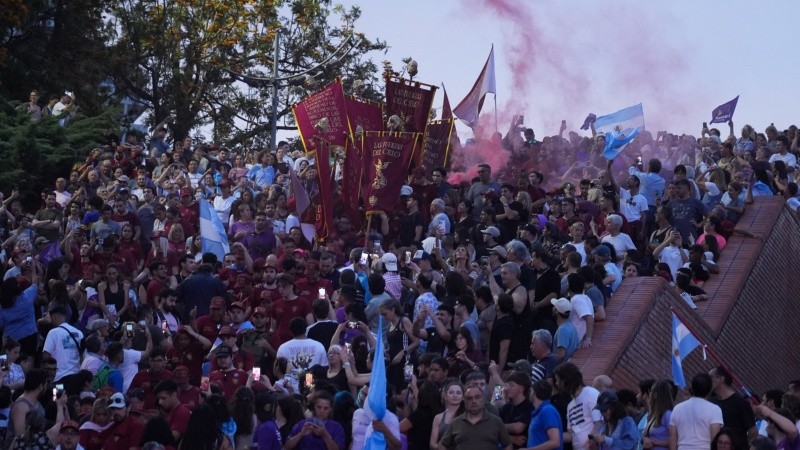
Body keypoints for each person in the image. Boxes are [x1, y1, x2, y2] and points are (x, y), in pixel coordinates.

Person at [438, 386, 513, 450]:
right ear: (464, 402)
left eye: (477, 397)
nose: (474, 401)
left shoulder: (496, 421)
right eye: (469, 398)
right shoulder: (456, 422)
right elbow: (442, 445)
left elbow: (508, 444)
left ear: (483, 399)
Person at [669, 372, 723, 450]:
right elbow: (715, 439)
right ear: (710, 389)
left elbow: (672, 439)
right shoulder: (715, 410)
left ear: (693, 388)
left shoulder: (677, 408)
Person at [554, 362, 599, 450]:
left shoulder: (590, 394)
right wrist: (551, 437)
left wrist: (588, 445)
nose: (556, 383)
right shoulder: (570, 405)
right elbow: (571, 435)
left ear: (565, 380)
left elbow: (599, 424)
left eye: (557, 380)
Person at [709, 366, 757, 448]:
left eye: (710, 377)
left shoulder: (740, 402)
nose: (708, 380)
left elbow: (753, 431)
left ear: (721, 379)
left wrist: (742, 446)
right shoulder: (711, 403)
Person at [42, 304, 84, 396]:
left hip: (59, 379)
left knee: (57, 403)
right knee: (73, 404)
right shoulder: (79, 332)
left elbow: (46, 356)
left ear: (53, 316)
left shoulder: (53, 332)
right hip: (76, 377)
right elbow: (82, 356)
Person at [499, 371, 535, 449]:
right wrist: (510, 438)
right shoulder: (507, 407)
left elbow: (518, 428)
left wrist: (499, 426)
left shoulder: (528, 406)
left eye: (512, 385)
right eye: (507, 385)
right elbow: (495, 430)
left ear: (521, 388)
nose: (507, 388)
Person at [527, 379, 564, 450]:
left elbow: (555, 442)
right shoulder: (541, 411)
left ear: (534, 392)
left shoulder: (547, 410)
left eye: (531, 390)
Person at [642, 380, 673, 450]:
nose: (649, 395)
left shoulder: (668, 415)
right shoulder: (654, 415)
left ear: (655, 395)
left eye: (651, 392)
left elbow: (674, 439)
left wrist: (655, 442)